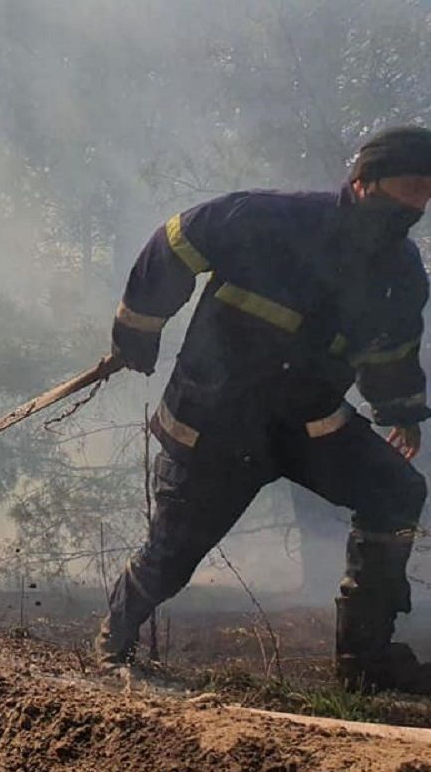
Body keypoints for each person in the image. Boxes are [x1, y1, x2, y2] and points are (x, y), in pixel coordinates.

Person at [97, 125, 431, 693]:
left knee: (396, 491)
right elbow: (174, 243)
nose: (419, 203)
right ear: (364, 179)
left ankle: (364, 663)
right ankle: (114, 640)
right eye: (412, 185)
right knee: (173, 554)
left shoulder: (401, 274)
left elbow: (392, 350)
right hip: (217, 421)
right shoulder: (267, 219)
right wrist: (138, 331)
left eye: (428, 192)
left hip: (309, 423)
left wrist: (400, 409)